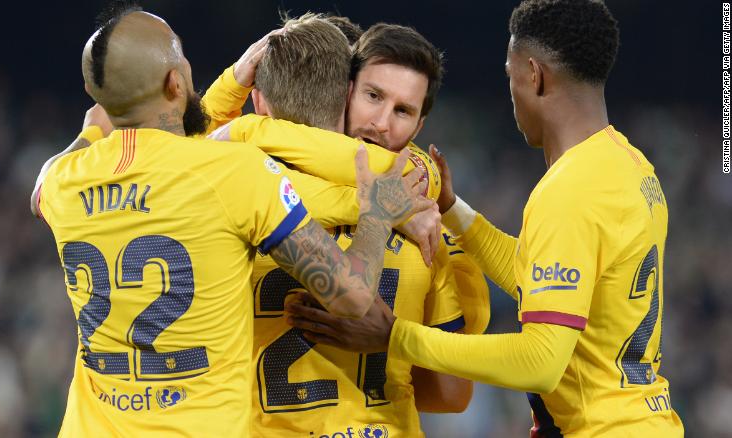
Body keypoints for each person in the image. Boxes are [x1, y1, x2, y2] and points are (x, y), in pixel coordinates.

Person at [288, 1, 685, 436]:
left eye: (509, 74)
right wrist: (453, 210)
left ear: (534, 75)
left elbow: (540, 363)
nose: (509, 89)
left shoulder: (570, 190)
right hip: (646, 419)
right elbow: (542, 281)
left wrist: (396, 335)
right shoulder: (631, 167)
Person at [30, 6, 431, 437]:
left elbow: (40, 189)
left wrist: (92, 131)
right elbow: (352, 298)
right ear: (175, 82)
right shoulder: (235, 172)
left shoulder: (63, 184)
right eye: (181, 58)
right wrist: (374, 216)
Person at [207, 14, 475, 437]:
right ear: (345, 93)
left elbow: (179, 157)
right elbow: (451, 394)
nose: (382, 123)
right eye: (373, 96)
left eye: (402, 110)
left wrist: (240, 117)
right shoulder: (424, 220)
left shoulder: (235, 197)